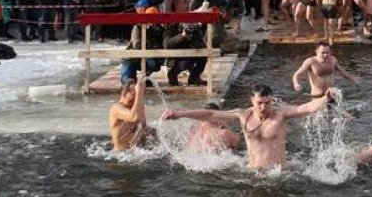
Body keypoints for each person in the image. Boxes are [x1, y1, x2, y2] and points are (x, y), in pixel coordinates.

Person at [161, 84, 336, 170]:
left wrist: (325, 98)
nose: (263, 107)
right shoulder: (243, 114)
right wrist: (180, 113)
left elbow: (305, 108)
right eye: (260, 103)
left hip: (280, 174)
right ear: (252, 101)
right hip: (251, 174)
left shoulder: (281, 114)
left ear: (272, 100)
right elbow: (210, 114)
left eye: (267, 102)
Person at [292, 40, 358, 96]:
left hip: (331, 94)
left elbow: (342, 71)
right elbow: (297, 74)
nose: (325, 55)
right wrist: (296, 84)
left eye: (327, 52)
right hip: (317, 95)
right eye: (323, 53)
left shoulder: (333, 59)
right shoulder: (310, 61)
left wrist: (353, 79)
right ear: (316, 51)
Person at [109, 80, 157, 151]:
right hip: (119, 155)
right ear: (124, 93)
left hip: (134, 153)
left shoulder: (135, 106)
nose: (136, 97)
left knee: (152, 131)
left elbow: (144, 127)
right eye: (134, 92)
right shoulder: (116, 108)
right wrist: (139, 93)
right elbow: (133, 117)